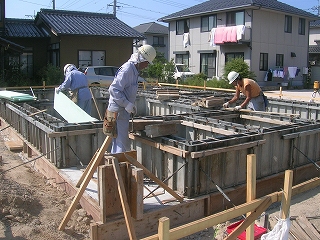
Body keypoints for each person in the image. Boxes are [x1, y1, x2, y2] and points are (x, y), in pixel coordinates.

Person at [104, 44, 156, 153]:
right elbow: (113, 89)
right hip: (117, 112)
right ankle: (119, 166)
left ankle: (118, 165)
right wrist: (127, 104)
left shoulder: (134, 71)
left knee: (120, 142)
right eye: (146, 63)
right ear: (140, 59)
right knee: (121, 143)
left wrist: (129, 105)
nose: (146, 66)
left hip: (122, 111)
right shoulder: (127, 69)